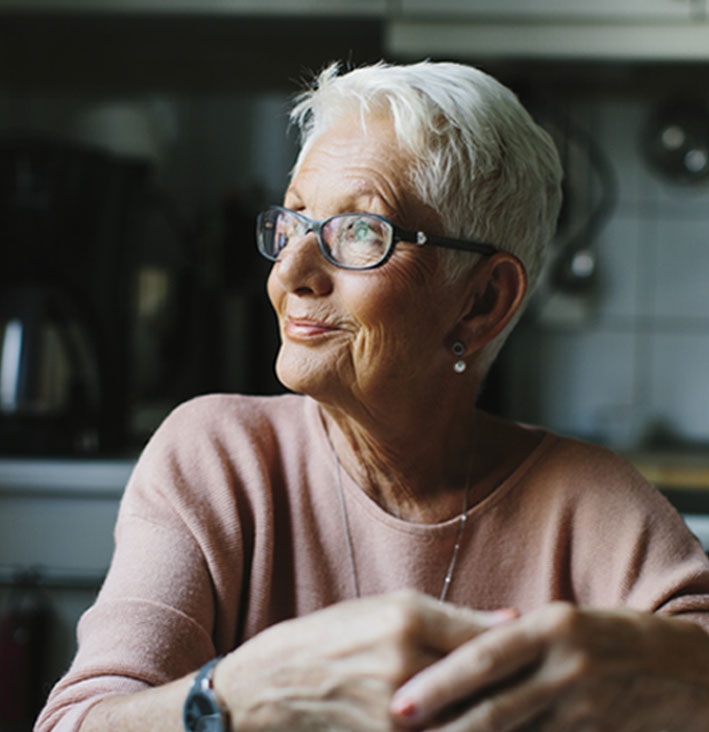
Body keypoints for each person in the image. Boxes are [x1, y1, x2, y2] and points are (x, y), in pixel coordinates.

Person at [36, 60, 709, 732]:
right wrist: (242, 694)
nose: (292, 273)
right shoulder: (217, 460)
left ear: (480, 301)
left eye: (360, 231)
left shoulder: (594, 508)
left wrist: (654, 666)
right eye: (294, 221)